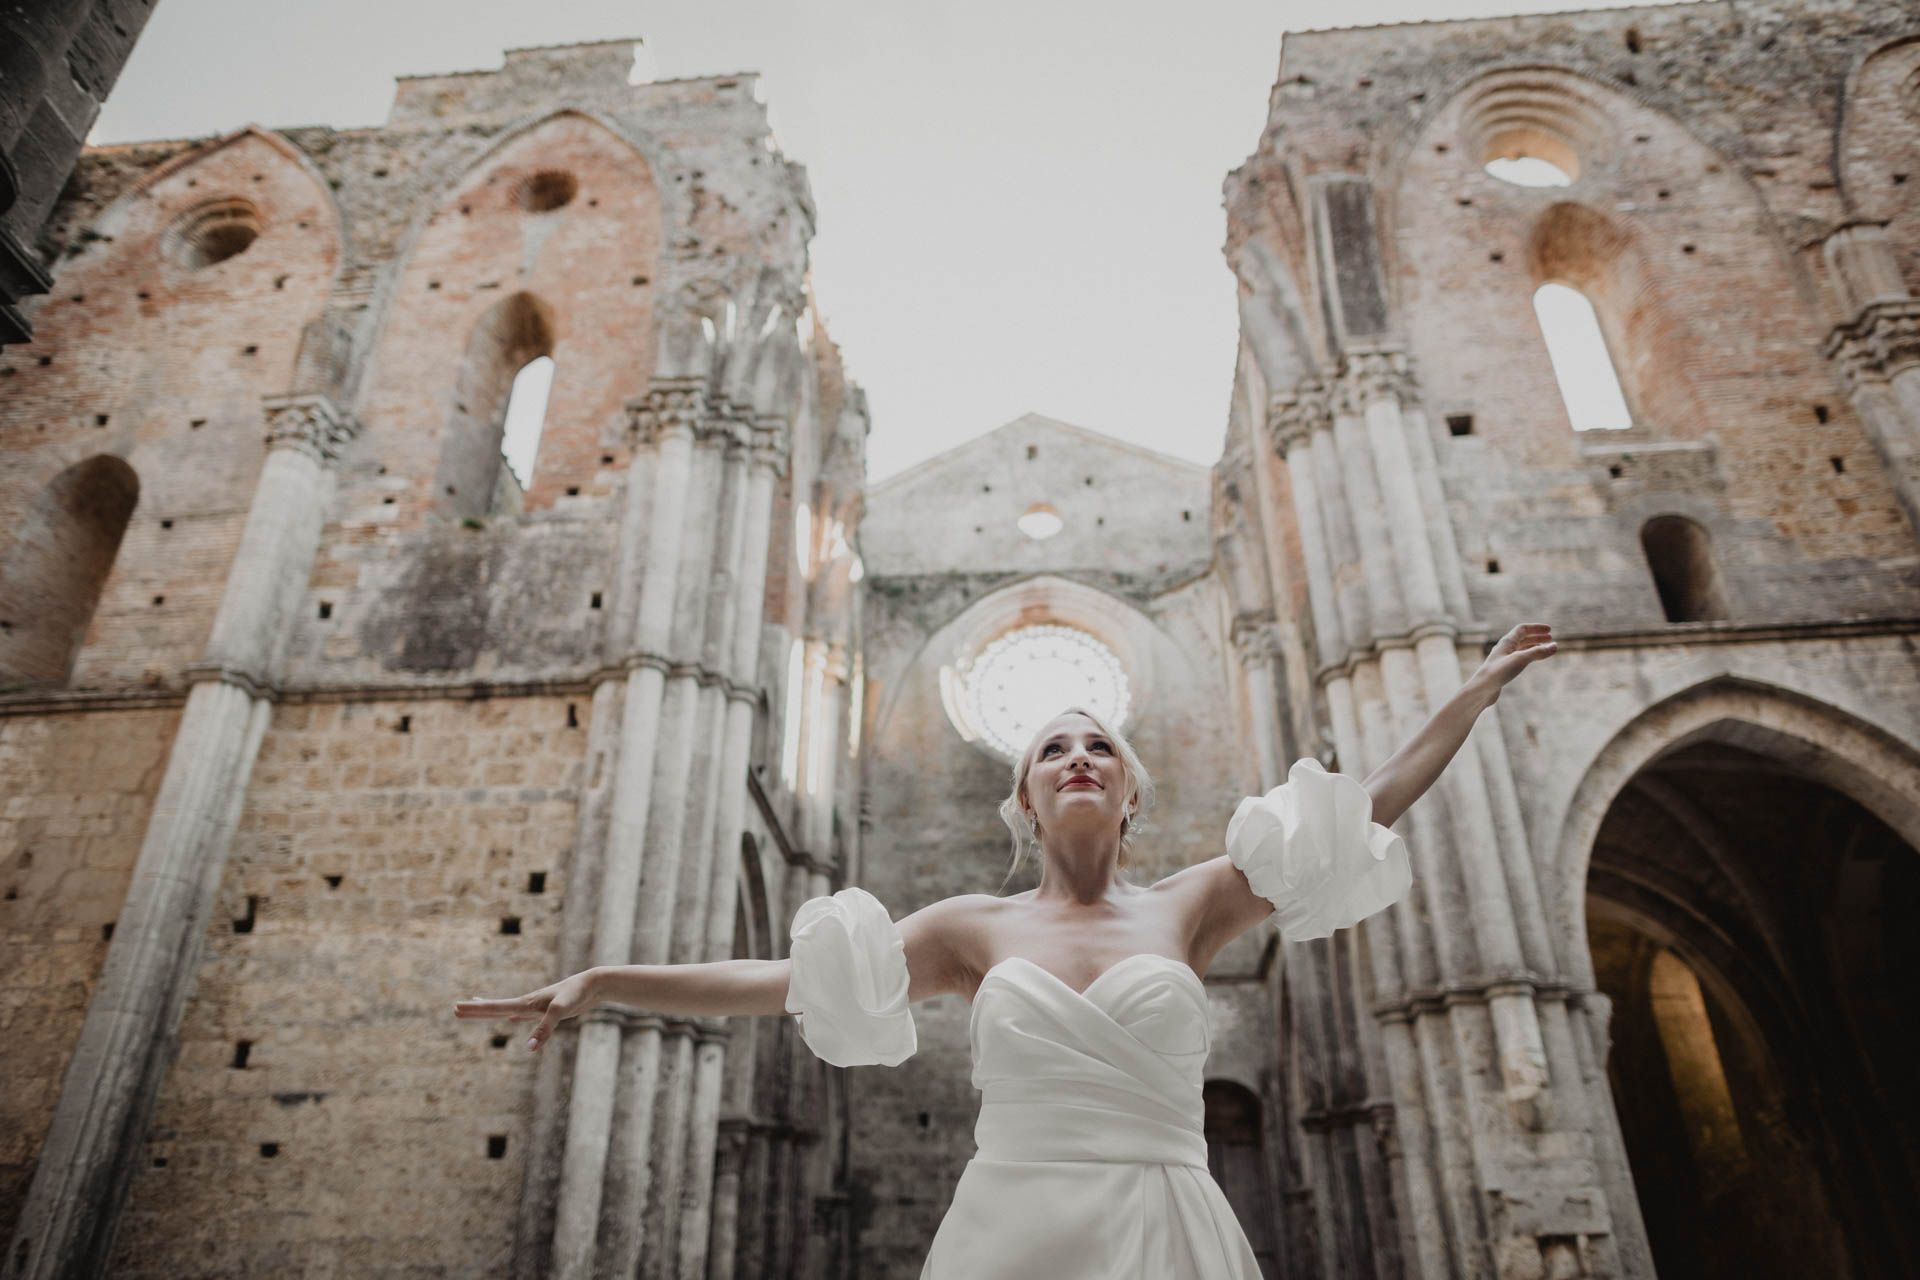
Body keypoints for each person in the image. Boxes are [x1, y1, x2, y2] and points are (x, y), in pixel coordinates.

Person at [456, 621, 1559, 1277]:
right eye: (1051, 747)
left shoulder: (1196, 903)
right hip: (1014, 1231)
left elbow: (1369, 800)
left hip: (1167, 1224)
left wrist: (1470, 693)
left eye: (1098, 744)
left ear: (1129, 789)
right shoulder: (966, 929)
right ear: (1025, 796)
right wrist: (603, 979)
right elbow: (779, 982)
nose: (1077, 753)